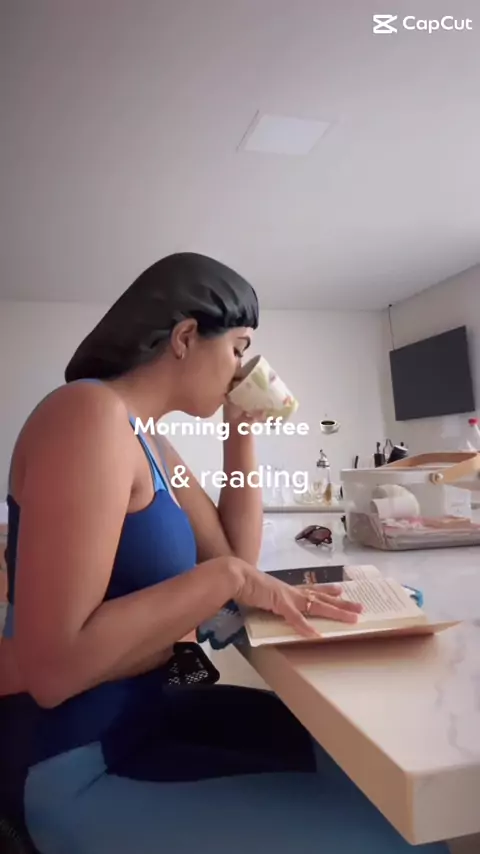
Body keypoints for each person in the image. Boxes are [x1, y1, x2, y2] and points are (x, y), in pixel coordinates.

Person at [0, 253, 448, 854]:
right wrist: (223, 581)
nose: (242, 368)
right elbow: (53, 672)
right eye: (238, 349)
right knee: (402, 841)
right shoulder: (86, 414)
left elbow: (237, 552)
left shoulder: (148, 437)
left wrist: (240, 428)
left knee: (381, 785)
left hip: (153, 712)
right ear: (186, 337)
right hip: (75, 760)